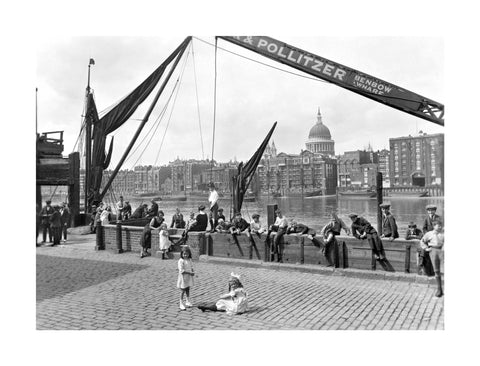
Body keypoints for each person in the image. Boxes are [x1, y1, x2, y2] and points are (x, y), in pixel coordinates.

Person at [420, 220, 444, 297]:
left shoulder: (443, 234)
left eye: (441, 225)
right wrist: (426, 248)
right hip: (433, 251)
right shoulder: (429, 234)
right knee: (436, 271)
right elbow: (422, 241)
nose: (440, 227)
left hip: (442, 251)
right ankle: (439, 289)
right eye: (438, 225)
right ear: (434, 226)